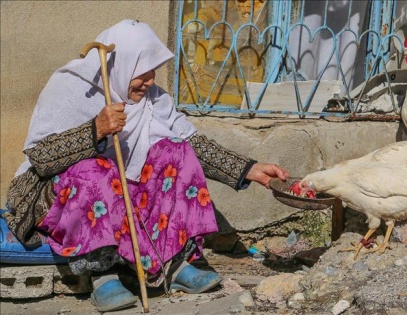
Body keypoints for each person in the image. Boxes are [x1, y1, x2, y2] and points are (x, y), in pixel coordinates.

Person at [4, 19, 288, 312]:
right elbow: (40, 157)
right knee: (97, 170)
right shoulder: (70, 89)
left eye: (152, 70)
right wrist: (95, 130)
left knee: (175, 152)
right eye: (143, 72)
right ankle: (103, 275)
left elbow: (193, 144)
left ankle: (173, 263)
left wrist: (249, 169)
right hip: (61, 194)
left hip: (122, 188)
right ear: (122, 65)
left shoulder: (151, 99)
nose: (150, 80)